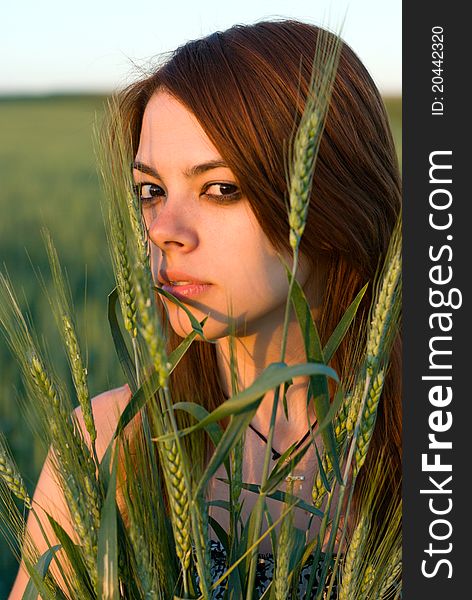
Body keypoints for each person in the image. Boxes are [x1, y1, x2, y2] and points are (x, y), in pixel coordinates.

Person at [9, 19, 401, 598]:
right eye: (151, 191)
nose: (164, 230)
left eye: (220, 188)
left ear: (332, 198)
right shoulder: (108, 447)